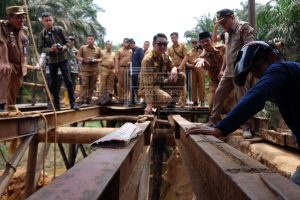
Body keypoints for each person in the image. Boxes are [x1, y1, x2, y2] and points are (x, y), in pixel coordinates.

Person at [187, 41, 300, 185]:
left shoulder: (280, 68)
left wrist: (220, 128)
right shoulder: (289, 77)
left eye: (258, 68)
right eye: (254, 73)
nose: (259, 76)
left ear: (272, 57)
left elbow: (256, 97)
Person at [207, 8, 255, 138]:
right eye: (220, 24)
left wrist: (244, 70)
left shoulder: (243, 27)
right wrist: (216, 27)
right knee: (218, 95)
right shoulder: (226, 33)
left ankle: (246, 126)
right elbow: (215, 41)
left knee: (242, 99)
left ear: (232, 18)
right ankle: (213, 120)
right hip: (228, 71)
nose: (223, 26)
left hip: (241, 71)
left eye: (224, 22)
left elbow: (250, 48)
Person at [38, 12, 78, 110]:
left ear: (53, 20)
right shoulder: (42, 34)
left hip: (63, 59)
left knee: (68, 80)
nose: (48, 22)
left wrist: (63, 47)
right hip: (51, 61)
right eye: (46, 21)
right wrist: (49, 49)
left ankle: (73, 103)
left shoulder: (59, 29)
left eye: (50, 20)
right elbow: (40, 48)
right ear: (42, 22)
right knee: (54, 83)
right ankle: (56, 105)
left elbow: (67, 42)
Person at [139, 33, 185, 114]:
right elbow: (148, 84)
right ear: (153, 45)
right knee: (166, 99)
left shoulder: (165, 55)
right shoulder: (148, 60)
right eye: (160, 44)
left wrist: (174, 69)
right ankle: (147, 102)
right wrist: (149, 104)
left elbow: (172, 65)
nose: (163, 47)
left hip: (160, 84)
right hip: (147, 88)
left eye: (165, 44)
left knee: (181, 76)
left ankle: (171, 105)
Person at [195, 31, 234, 111]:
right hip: (215, 82)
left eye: (207, 40)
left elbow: (228, 60)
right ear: (200, 44)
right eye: (202, 42)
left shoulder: (222, 47)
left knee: (228, 105)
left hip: (228, 79)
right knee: (212, 105)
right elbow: (208, 68)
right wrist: (204, 61)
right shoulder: (202, 57)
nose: (205, 43)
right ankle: (217, 121)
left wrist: (223, 71)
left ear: (211, 40)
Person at [0, 6, 28, 112]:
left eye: (23, 17)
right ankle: (1, 105)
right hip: (8, 62)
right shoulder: (3, 27)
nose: (22, 20)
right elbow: (2, 44)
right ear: (9, 17)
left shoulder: (24, 30)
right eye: (18, 17)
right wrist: (4, 62)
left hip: (19, 66)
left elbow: (24, 48)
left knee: (13, 92)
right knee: (5, 71)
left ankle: (9, 111)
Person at [77, 34, 102, 105]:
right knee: (84, 84)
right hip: (85, 69)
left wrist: (96, 60)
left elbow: (102, 58)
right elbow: (78, 56)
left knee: (92, 85)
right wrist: (84, 60)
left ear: (94, 40)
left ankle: (89, 99)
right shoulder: (83, 48)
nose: (90, 40)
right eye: (89, 39)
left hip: (94, 70)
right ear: (87, 40)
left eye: (91, 39)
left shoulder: (98, 49)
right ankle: (81, 99)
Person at [167, 32, 188, 106]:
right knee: (173, 83)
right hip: (172, 68)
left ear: (177, 37)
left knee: (182, 84)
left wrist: (181, 67)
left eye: (174, 37)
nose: (173, 39)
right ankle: (173, 101)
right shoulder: (169, 48)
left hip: (180, 67)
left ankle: (182, 103)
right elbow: (168, 58)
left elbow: (186, 56)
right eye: (171, 38)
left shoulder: (182, 45)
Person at [186, 39, 205, 106]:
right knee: (193, 85)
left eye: (196, 43)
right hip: (193, 69)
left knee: (201, 84)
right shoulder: (189, 52)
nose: (195, 44)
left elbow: (206, 58)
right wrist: (190, 65)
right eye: (193, 43)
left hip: (201, 68)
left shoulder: (202, 50)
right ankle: (194, 101)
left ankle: (202, 101)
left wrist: (201, 51)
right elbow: (186, 62)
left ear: (198, 43)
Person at [127, 38, 144, 105]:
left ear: (133, 44)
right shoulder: (132, 51)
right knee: (133, 87)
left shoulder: (139, 50)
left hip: (138, 72)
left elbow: (142, 61)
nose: (129, 47)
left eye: (130, 45)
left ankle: (141, 100)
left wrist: (141, 72)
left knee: (138, 87)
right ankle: (133, 100)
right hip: (132, 72)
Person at [115, 38, 132, 103]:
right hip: (121, 68)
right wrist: (116, 68)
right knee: (120, 83)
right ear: (123, 43)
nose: (127, 43)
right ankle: (120, 97)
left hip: (128, 68)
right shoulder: (119, 50)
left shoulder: (131, 51)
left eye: (128, 42)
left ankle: (126, 97)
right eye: (125, 42)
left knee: (128, 84)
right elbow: (116, 60)